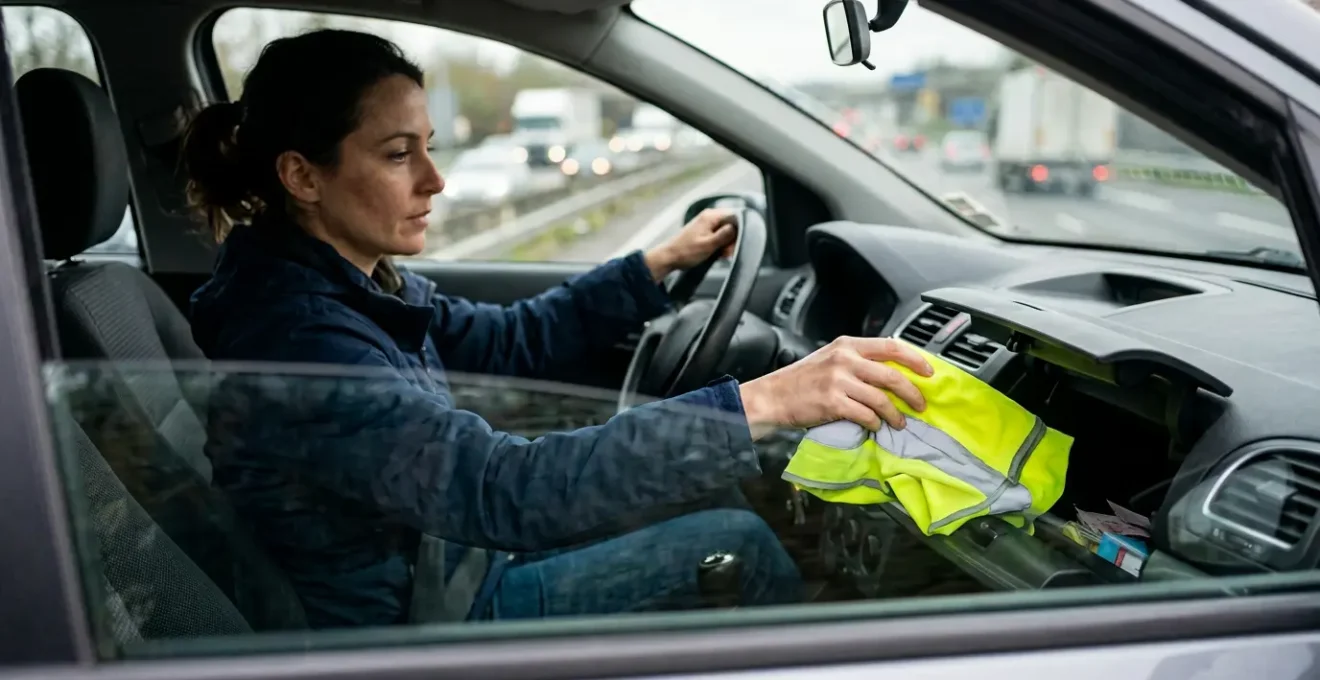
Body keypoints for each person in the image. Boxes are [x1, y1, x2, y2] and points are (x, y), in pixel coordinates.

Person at [183, 29, 933, 629]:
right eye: (396, 155)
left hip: (439, 560)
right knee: (735, 542)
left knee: (705, 500)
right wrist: (764, 403)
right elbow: (505, 491)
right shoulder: (301, 340)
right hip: (414, 621)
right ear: (302, 177)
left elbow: (509, 339)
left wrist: (655, 265)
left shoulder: (356, 285)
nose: (435, 181)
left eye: (428, 147)